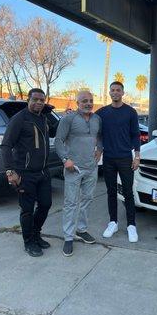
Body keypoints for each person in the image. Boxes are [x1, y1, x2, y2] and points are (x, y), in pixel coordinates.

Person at [1, 88, 56, 257]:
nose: (39, 102)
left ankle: (36, 233)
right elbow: (6, 146)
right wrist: (11, 171)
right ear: (28, 100)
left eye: (42, 100)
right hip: (24, 173)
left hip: (43, 172)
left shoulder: (43, 118)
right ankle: (28, 241)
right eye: (36, 99)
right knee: (26, 209)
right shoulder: (19, 119)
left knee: (45, 204)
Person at [55, 91, 102, 257]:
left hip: (91, 167)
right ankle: (68, 237)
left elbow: (99, 136)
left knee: (88, 199)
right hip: (73, 168)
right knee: (71, 203)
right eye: (84, 101)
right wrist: (65, 159)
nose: (88, 103)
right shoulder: (68, 119)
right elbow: (58, 140)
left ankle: (82, 230)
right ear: (77, 103)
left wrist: (100, 150)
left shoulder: (97, 119)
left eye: (90, 100)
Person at [96, 81, 140, 243]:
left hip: (125, 158)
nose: (115, 92)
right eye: (112, 90)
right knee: (111, 191)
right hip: (108, 158)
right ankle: (113, 222)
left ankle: (131, 225)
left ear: (123, 92)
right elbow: (94, 130)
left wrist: (137, 156)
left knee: (128, 192)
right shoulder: (102, 112)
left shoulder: (130, 112)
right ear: (109, 92)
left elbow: (135, 135)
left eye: (118, 90)